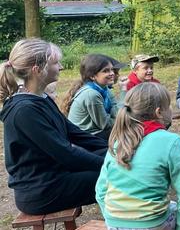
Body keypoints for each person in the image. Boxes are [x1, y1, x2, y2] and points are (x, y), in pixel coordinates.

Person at [0, 39, 107, 215]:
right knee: (118, 177)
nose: (61, 67)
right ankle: (132, 225)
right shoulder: (24, 111)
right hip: (42, 191)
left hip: (56, 175)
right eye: (56, 63)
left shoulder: (40, 98)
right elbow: (65, 153)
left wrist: (112, 150)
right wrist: (110, 165)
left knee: (113, 159)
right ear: (37, 69)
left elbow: (75, 133)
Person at [96, 83, 180, 230]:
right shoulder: (172, 141)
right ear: (159, 112)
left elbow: (100, 191)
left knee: (170, 206)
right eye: (169, 106)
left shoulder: (118, 141)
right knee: (177, 208)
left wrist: (111, 218)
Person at [63, 54, 119, 139]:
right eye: (106, 71)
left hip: (95, 133)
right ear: (92, 76)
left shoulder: (104, 88)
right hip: (84, 138)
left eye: (112, 69)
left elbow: (115, 109)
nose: (112, 73)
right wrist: (119, 118)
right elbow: (105, 125)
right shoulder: (91, 94)